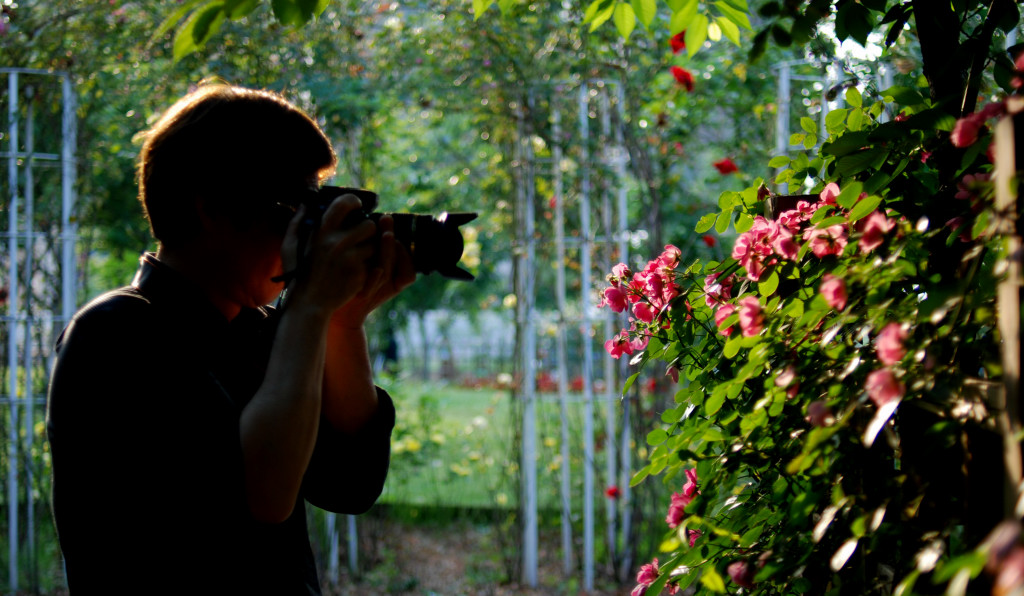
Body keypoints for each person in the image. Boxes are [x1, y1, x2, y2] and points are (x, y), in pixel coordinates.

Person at [45, 83, 415, 594]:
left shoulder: (256, 332)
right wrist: (309, 306)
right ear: (210, 208)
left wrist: (342, 322)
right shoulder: (115, 333)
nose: (304, 233)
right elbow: (263, 495)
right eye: (294, 206)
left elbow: (350, 482)